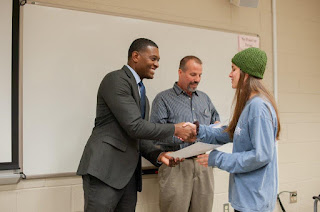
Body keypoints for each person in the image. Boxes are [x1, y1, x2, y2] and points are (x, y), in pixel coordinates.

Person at [77, 38, 196, 212]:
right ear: (135, 56)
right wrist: (176, 129)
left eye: (158, 60)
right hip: (105, 172)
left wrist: (160, 154)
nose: (156, 64)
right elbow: (135, 126)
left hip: (128, 178)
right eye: (153, 59)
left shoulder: (143, 96)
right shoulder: (116, 80)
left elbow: (139, 136)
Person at [188, 47, 280, 212]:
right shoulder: (249, 105)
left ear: (246, 74)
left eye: (234, 69)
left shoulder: (258, 107)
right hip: (245, 198)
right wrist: (198, 130)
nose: (230, 74)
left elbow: (261, 156)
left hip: (254, 202)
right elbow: (229, 133)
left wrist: (217, 159)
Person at [150, 55, 220, 212]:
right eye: (193, 74)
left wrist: (216, 127)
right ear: (180, 72)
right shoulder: (163, 99)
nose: (197, 79)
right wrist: (182, 135)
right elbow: (154, 134)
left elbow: (216, 123)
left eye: (200, 75)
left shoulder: (205, 98)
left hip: (203, 164)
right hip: (177, 165)